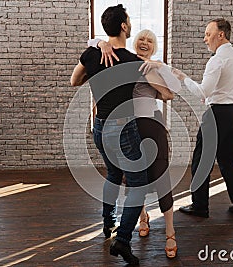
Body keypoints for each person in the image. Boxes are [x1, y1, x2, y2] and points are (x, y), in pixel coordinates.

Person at [70, 5, 172, 265]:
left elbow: (74, 81)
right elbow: (167, 94)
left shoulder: (92, 54)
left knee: (114, 175)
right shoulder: (133, 62)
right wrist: (153, 68)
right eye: (129, 21)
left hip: (100, 127)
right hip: (123, 128)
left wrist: (97, 62)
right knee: (138, 185)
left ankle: (108, 224)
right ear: (125, 27)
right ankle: (123, 240)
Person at [89, 29, 181, 258]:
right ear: (134, 41)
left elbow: (172, 93)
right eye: (142, 39)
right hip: (129, 127)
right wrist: (101, 43)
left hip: (152, 126)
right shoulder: (127, 60)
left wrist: (158, 68)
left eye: (150, 40)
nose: (145, 43)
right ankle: (142, 217)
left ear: (154, 46)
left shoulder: (153, 66)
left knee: (161, 176)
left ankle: (170, 230)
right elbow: (90, 43)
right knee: (133, 178)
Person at [173, 18, 233, 218]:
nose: (205, 39)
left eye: (208, 34)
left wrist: (183, 78)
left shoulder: (217, 60)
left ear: (220, 34)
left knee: (201, 161)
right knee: (228, 160)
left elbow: (202, 93)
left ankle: (199, 206)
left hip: (217, 115)